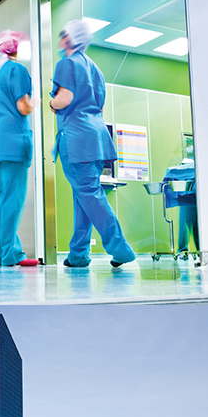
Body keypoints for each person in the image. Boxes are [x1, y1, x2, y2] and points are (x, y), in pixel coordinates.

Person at [50, 19, 135, 268]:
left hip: (77, 140)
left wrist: (51, 102)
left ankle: (120, 249)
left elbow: (64, 99)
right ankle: (77, 254)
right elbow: (99, 104)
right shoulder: (95, 68)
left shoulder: (66, 63)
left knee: (90, 195)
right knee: (84, 196)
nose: (60, 39)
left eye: (62, 35)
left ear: (69, 39)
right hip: (96, 139)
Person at [0, 31, 38, 267]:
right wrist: (40, 101)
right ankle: (10, 255)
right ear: (17, 49)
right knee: (12, 201)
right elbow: (23, 106)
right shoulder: (17, 70)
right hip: (14, 143)